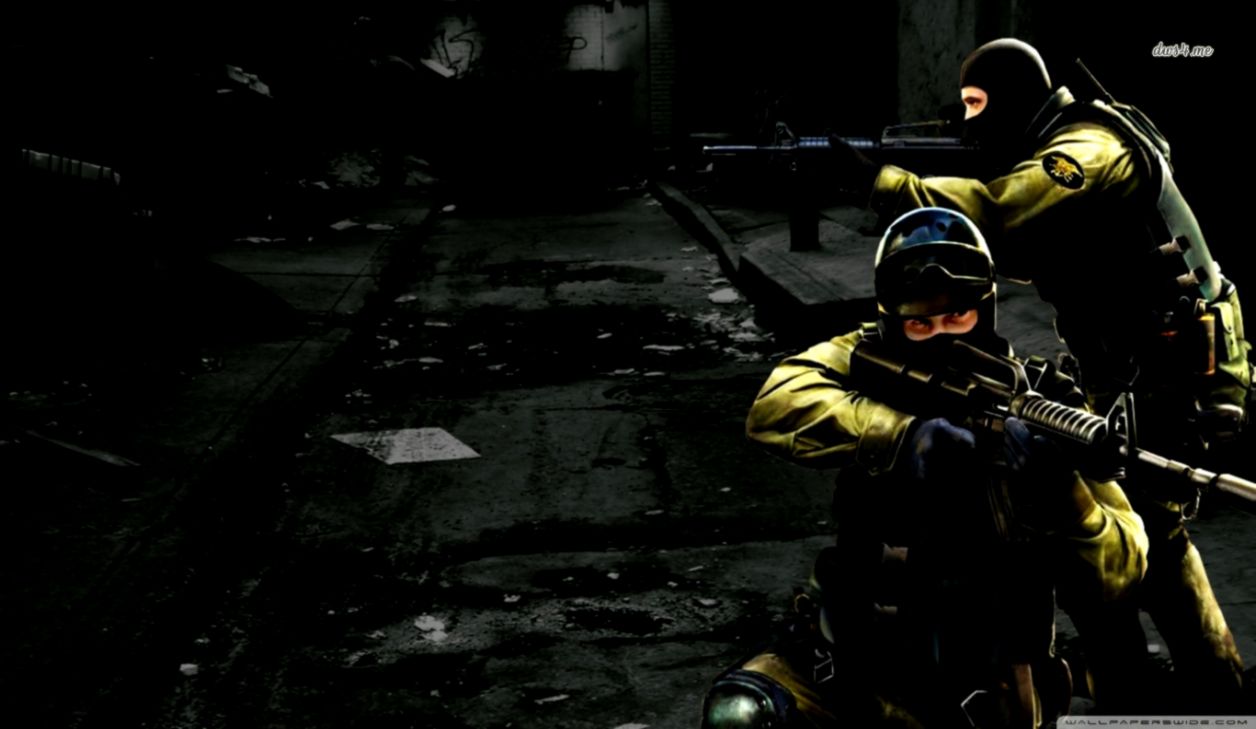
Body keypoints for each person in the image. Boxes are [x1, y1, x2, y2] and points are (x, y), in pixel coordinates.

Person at [826, 37, 1251, 711]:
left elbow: (1002, 210)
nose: (968, 121)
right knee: (1135, 529)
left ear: (1015, 96)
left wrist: (885, 182)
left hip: (1169, 363)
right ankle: (1166, 684)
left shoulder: (1087, 148)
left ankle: (1197, 689)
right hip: (1126, 363)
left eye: (977, 103)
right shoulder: (1063, 143)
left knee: (1144, 532)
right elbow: (1025, 250)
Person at [701, 207, 1149, 728]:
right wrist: (900, 434)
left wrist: (1064, 497)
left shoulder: (1047, 402)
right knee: (739, 714)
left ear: (986, 308)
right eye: (920, 323)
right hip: (852, 661)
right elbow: (777, 402)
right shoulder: (868, 358)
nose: (942, 336)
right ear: (893, 321)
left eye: (959, 317)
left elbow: (1123, 569)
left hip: (982, 689)